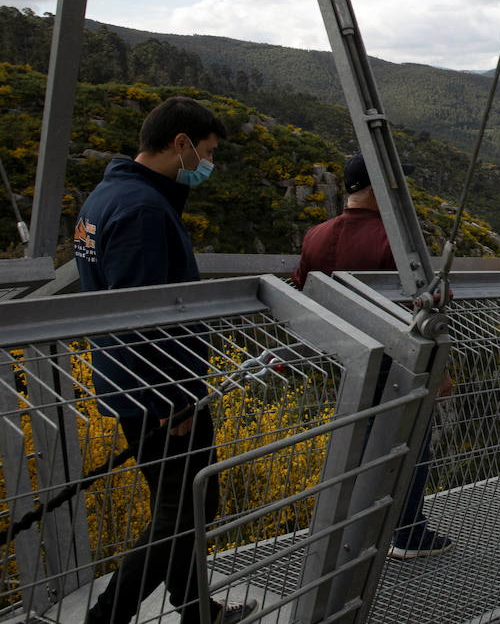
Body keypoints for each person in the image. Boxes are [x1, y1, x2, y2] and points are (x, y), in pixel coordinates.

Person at [74, 96, 257, 624]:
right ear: (180, 144)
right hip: (160, 391)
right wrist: (176, 398)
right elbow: (145, 313)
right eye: (206, 151)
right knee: (189, 509)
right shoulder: (142, 211)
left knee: (176, 506)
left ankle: (197, 609)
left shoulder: (107, 196)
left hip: (130, 384)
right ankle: (108, 617)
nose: (208, 163)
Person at [293, 153, 453, 560]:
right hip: (397, 359)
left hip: (345, 358)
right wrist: (439, 368)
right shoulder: (393, 241)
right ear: (377, 187)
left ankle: (351, 531)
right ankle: (408, 531)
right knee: (411, 444)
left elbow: (302, 293)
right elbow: (426, 303)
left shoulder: (316, 235)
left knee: (358, 442)